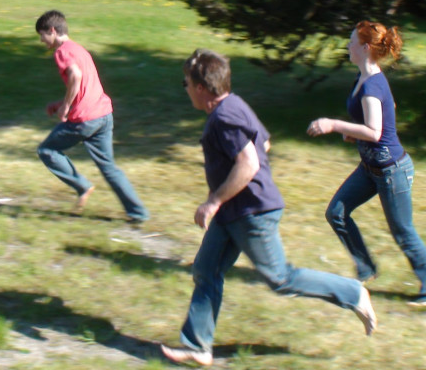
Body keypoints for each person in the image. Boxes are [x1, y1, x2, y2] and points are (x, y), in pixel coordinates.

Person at [161, 49, 376, 367]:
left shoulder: (223, 118)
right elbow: (264, 143)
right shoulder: (235, 105)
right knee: (206, 271)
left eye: (186, 84)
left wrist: (213, 201)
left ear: (202, 89)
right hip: (235, 211)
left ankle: (353, 293)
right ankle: (198, 346)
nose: (186, 89)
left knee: (281, 279)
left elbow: (248, 162)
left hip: (252, 212)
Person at [307, 20, 426, 306]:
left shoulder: (371, 84)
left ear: (365, 47)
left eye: (351, 42)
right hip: (370, 168)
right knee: (337, 213)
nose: (347, 46)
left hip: (391, 171)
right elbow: (388, 110)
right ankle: (366, 268)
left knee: (403, 232)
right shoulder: (366, 78)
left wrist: (334, 124)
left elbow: (375, 131)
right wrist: (354, 135)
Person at [34, 10, 149, 222]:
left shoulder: (62, 52)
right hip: (104, 114)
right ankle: (138, 213)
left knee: (47, 150)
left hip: (84, 120)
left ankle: (82, 186)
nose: (41, 40)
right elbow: (84, 86)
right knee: (109, 167)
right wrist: (60, 103)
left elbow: (76, 77)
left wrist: (65, 107)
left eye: (42, 34)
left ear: (52, 30)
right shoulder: (78, 49)